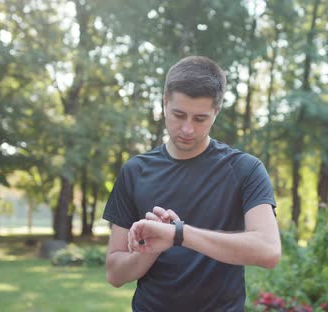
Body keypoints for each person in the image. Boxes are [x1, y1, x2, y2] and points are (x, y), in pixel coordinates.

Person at [103, 55, 281, 311]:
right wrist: (153, 246)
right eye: (178, 115)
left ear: (216, 112)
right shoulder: (135, 171)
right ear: (165, 102)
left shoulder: (245, 169)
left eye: (200, 119)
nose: (187, 129)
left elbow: (268, 251)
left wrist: (178, 234)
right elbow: (115, 274)